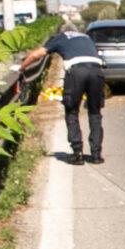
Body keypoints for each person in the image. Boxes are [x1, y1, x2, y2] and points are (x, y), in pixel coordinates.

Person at [17, 15, 107, 164]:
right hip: (97, 71)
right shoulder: (86, 37)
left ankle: (77, 153)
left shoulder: (61, 37)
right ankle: (96, 155)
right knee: (95, 113)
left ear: (62, 31)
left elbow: (37, 54)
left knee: (71, 111)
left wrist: (21, 68)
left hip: (77, 72)